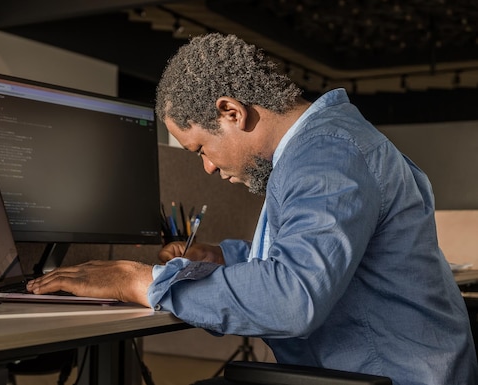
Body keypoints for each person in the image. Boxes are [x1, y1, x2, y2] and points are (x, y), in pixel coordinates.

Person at [28, 33, 478, 384]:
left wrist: (141, 282)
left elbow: (293, 298)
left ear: (231, 112)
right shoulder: (324, 143)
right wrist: (220, 257)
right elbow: (319, 258)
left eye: (200, 148)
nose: (205, 167)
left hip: (393, 376)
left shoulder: (325, 155)